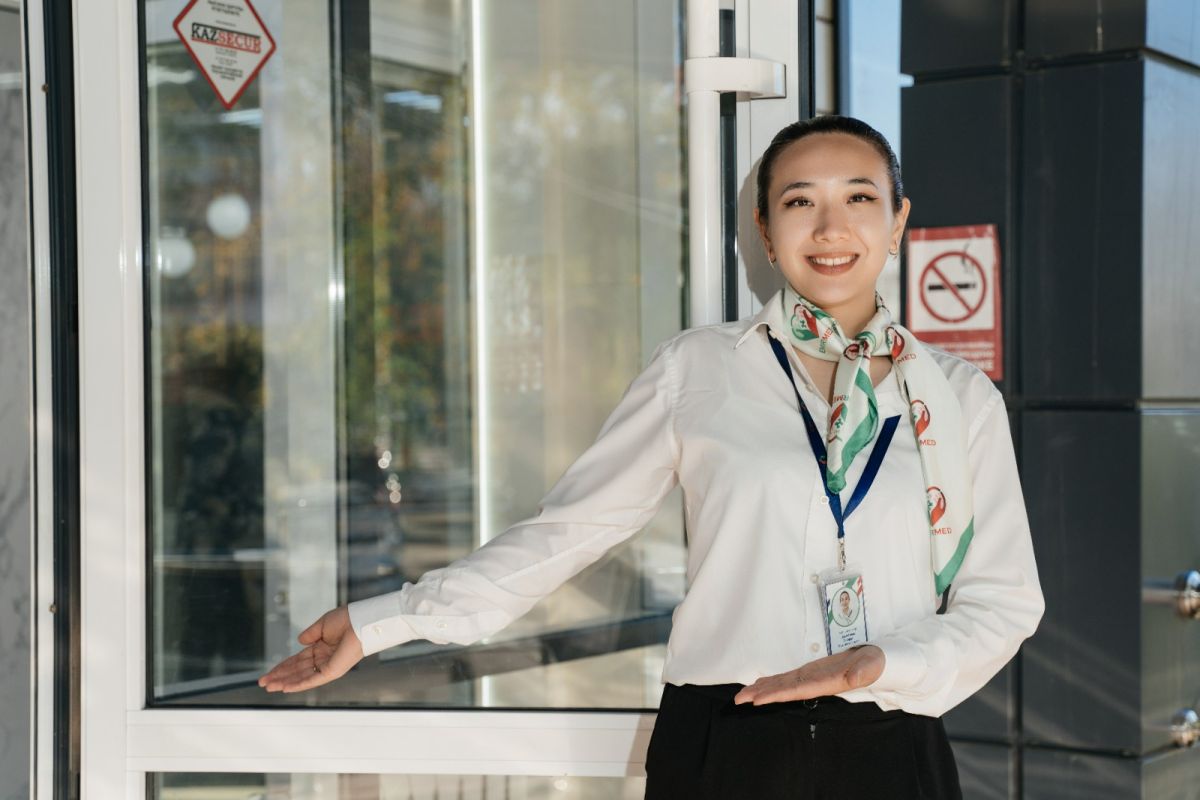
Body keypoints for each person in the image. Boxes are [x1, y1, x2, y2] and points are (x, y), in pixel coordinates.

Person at [259, 115, 1044, 799]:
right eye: (800, 202)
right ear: (766, 230)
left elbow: (1003, 603)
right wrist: (387, 620)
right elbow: (569, 531)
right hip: (723, 740)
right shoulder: (698, 369)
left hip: (890, 738)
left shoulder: (956, 396)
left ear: (898, 220)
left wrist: (878, 663)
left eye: (859, 198)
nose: (830, 227)